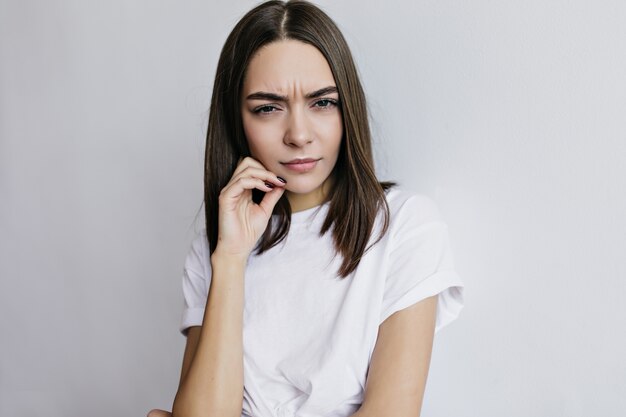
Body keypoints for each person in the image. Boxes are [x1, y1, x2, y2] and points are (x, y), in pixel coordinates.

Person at [148, 1, 464, 416]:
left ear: (346, 108)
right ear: (237, 120)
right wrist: (230, 258)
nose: (298, 135)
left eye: (322, 103)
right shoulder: (217, 249)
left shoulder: (403, 226)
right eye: (267, 108)